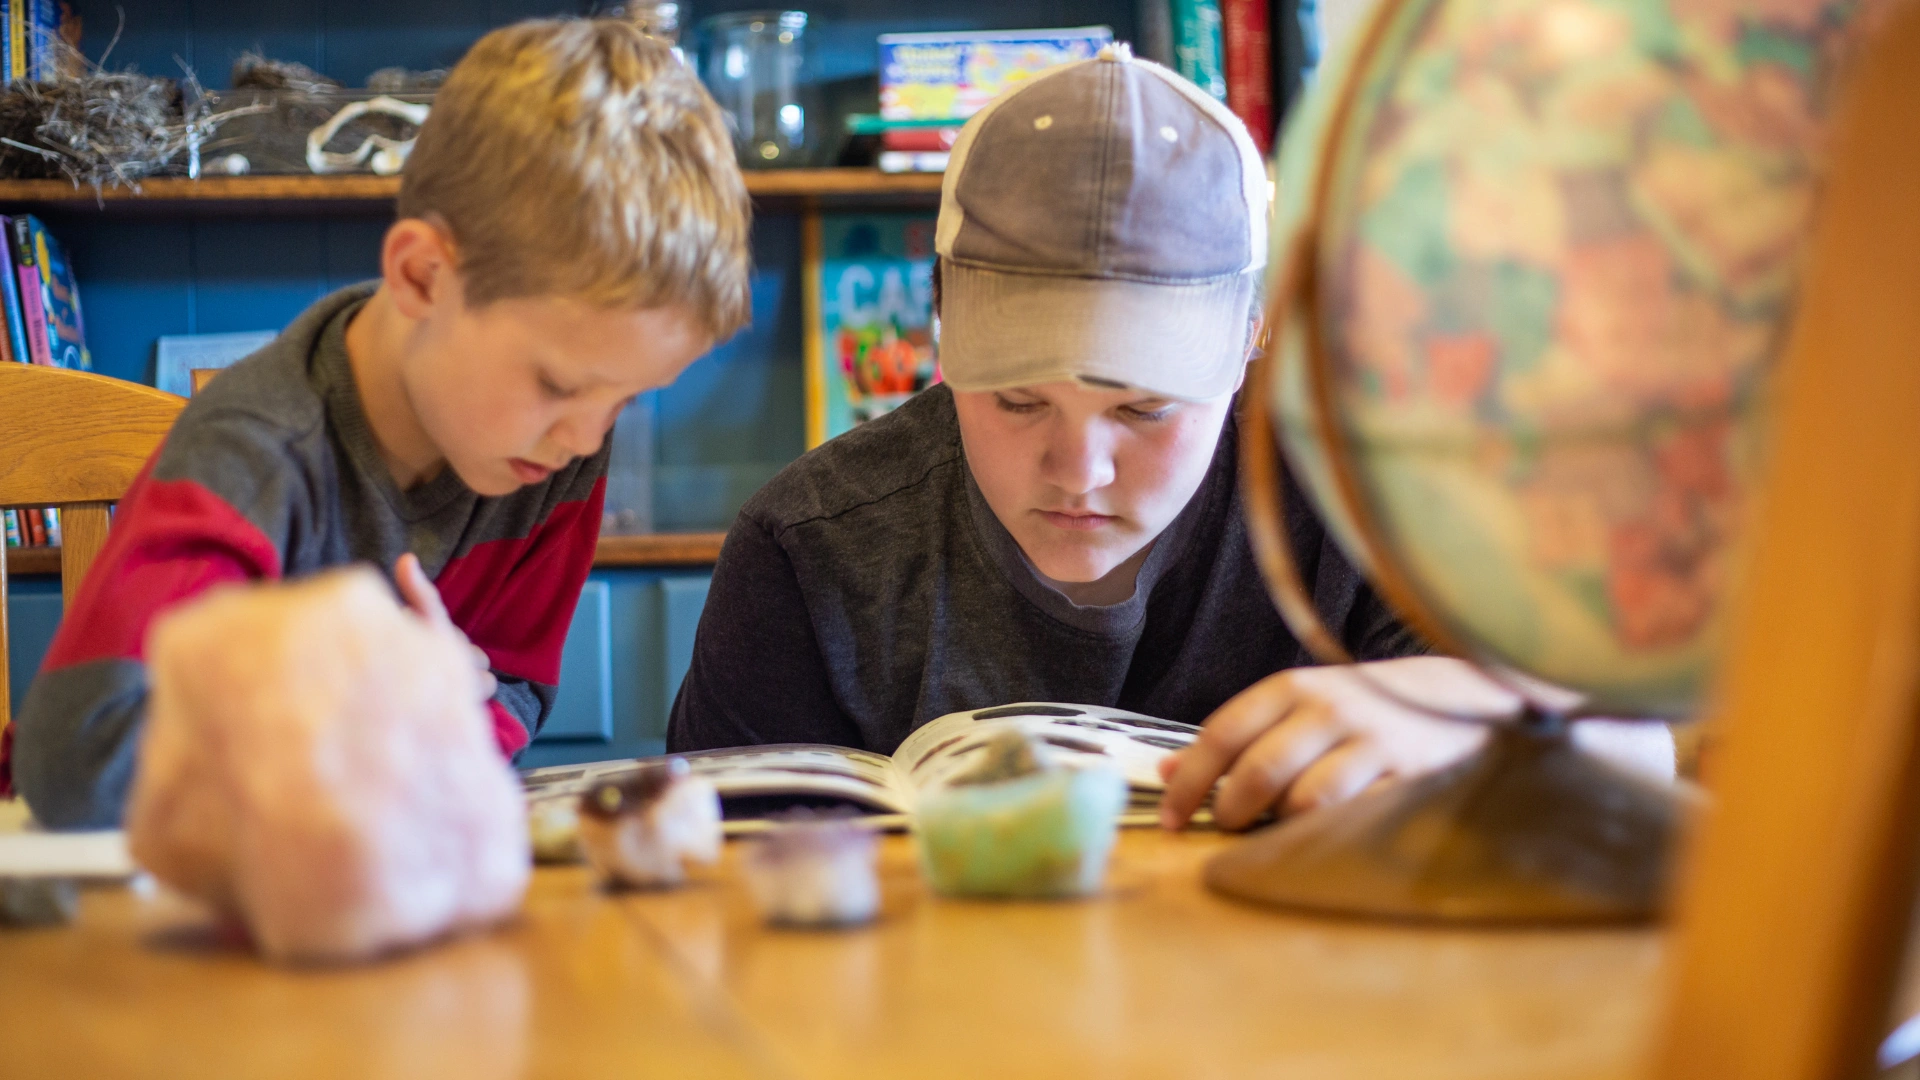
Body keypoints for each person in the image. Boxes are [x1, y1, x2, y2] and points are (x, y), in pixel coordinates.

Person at [666, 44, 1671, 828]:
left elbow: (1636, 754)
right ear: (941, 332)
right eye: (1017, 401)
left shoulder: (1361, 495)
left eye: (1144, 409)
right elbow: (720, 901)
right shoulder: (813, 550)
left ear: (1249, 344)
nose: (1080, 470)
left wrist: (1450, 712)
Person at [6, 19, 752, 828]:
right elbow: (74, 764)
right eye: (557, 383)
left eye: (626, 399)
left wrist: (455, 709)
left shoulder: (553, 450)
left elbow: (516, 690)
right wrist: (358, 695)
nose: (586, 435)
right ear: (423, 276)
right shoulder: (253, 455)